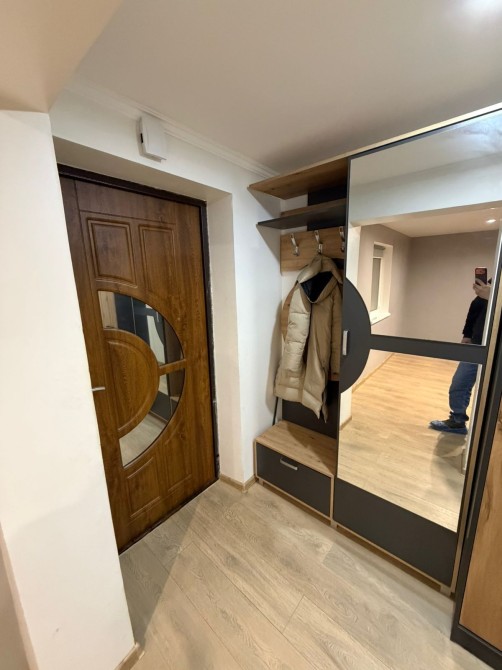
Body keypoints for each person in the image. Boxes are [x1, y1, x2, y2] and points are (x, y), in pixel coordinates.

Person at [429, 279, 492, 435]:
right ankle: (457, 421)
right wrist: (467, 334)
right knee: (460, 383)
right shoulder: (496, 280)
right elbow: (477, 307)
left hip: (496, 348)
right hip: (476, 344)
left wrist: (493, 298)